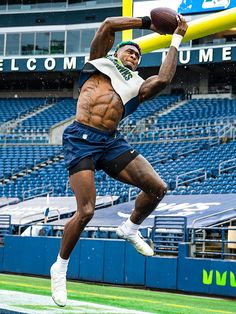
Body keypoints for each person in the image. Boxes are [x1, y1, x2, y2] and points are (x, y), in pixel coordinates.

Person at [50, 14, 188, 307]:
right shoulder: (100, 61)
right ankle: (60, 268)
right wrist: (148, 24)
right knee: (85, 211)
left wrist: (177, 37)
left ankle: (130, 228)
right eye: (130, 51)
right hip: (81, 138)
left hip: (111, 141)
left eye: (138, 55)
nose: (134, 56)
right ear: (116, 52)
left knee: (158, 188)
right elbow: (109, 25)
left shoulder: (137, 85)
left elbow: (163, 79)